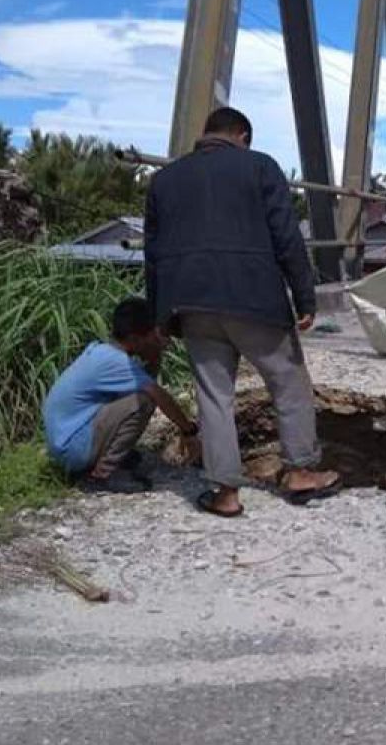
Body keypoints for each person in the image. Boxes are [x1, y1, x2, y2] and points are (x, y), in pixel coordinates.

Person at [145, 107, 339, 518]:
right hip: (256, 301)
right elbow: (288, 238)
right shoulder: (260, 167)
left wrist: (159, 317)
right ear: (243, 135)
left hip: (192, 304)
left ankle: (225, 494)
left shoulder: (164, 180)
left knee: (214, 396)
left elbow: (155, 255)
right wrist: (305, 298)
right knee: (288, 383)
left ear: (206, 134)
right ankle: (301, 472)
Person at [42, 298, 199, 486]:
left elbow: (144, 380)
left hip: (67, 442)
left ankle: (105, 457)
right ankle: (103, 473)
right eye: (152, 335)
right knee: (143, 401)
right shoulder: (116, 362)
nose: (158, 338)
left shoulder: (103, 352)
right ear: (134, 338)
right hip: (72, 449)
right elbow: (156, 394)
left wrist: (154, 356)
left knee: (137, 396)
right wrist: (189, 431)